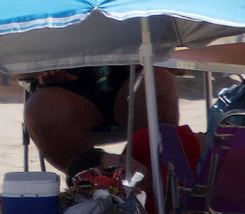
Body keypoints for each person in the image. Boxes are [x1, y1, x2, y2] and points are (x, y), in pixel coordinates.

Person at [22, 65, 180, 176]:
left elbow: (179, 59)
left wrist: (158, 58)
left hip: (132, 81)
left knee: (158, 80)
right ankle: (89, 185)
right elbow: (18, 66)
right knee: (42, 107)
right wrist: (42, 72)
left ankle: (152, 182)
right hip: (65, 91)